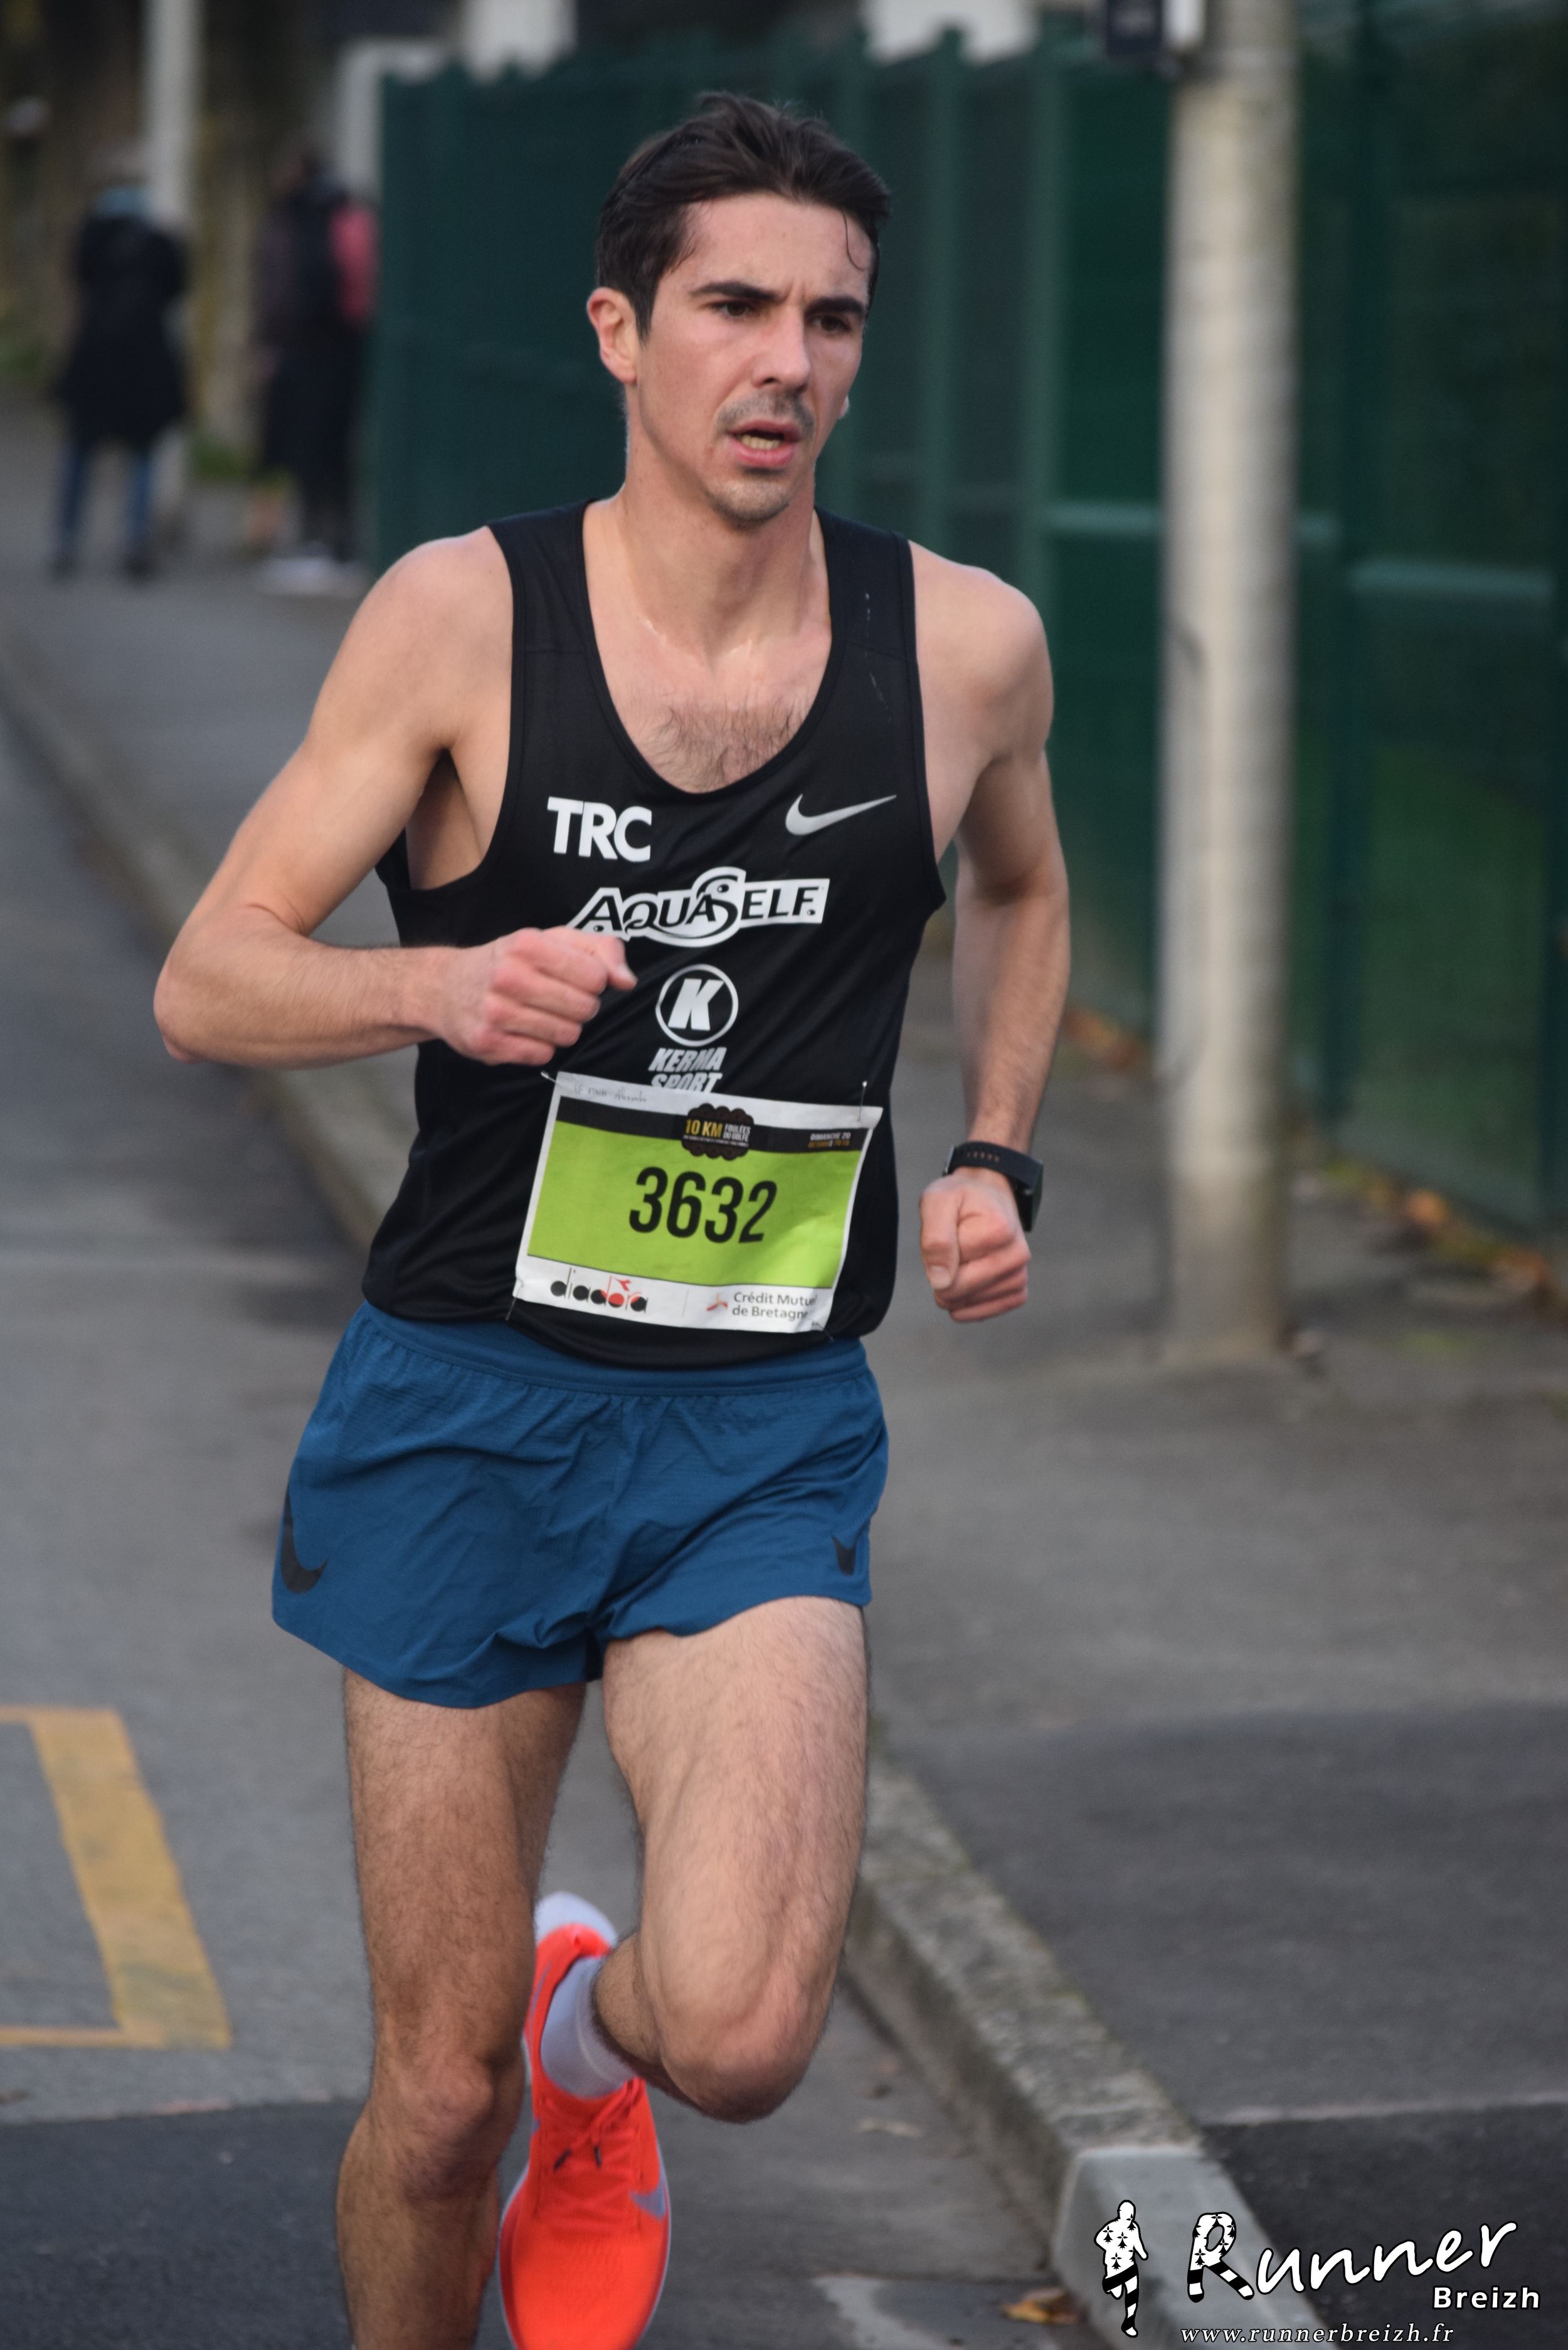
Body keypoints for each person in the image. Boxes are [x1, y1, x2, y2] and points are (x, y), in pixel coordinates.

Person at [154, 93, 1069, 2350]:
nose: (785, 361)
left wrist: (994, 1148)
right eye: (734, 306)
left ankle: (602, 2040)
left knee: (741, 2028)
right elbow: (208, 977)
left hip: (758, 1421)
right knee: (433, 2096)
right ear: (617, 330)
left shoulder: (962, 647)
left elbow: (1024, 890)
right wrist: (432, 985)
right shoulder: (463, 618)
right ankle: (506, 2099)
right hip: (464, 1399)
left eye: (830, 319)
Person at [51, 145, 186, 580]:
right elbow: (177, 287)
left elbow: (79, 278)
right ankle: (135, 538)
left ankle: (66, 539)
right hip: (145, 360)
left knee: (79, 450)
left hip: (96, 355)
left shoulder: (91, 232)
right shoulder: (159, 237)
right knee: (142, 451)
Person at [252, 145, 376, 585]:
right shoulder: (346, 208)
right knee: (336, 447)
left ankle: (320, 542)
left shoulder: (304, 214)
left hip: (310, 349)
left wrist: (276, 341)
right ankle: (338, 541)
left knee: (312, 447)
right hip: (347, 346)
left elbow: (296, 287)